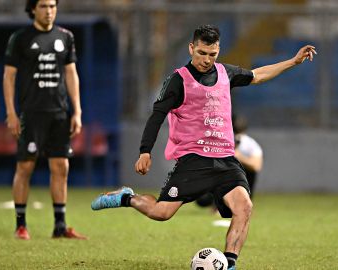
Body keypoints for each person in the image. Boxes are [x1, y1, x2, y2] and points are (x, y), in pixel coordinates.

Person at [91, 25, 316, 269]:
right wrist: (145, 151)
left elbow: (257, 75)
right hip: (194, 159)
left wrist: (293, 61)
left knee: (244, 207)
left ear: (217, 51)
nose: (206, 60)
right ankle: (127, 198)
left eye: (212, 54)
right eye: (201, 53)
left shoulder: (224, 73)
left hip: (226, 159)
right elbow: (157, 115)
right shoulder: (178, 80)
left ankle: (229, 264)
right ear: (191, 48)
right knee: (161, 213)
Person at [3, 0, 86, 240]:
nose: (49, 11)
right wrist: (11, 112)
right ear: (32, 9)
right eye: (43, 6)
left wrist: (77, 111)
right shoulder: (20, 38)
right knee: (25, 166)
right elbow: (9, 77)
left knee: (61, 167)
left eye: (52, 6)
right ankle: (21, 225)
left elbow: (71, 74)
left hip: (59, 113)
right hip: (32, 112)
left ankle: (60, 227)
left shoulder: (65, 37)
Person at [196, 114, 263, 209]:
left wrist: (238, 156)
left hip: (238, 179)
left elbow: (256, 166)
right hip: (221, 180)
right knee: (203, 199)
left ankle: (227, 204)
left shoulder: (247, 143)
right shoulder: (223, 139)